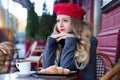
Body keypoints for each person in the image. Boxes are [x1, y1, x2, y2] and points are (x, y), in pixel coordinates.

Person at [42, 3, 98, 80]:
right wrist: (51, 42)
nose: (60, 25)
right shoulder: (58, 39)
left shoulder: (89, 40)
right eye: (58, 21)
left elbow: (66, 74)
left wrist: (70, 40)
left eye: (65, 20)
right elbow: (46, 69)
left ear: (76, 22)